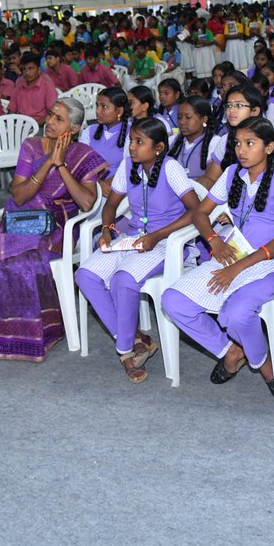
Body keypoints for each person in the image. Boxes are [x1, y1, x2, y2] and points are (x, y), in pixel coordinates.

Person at [0, 99, 106, 362]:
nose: (49, 121)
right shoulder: (31, 146)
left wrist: (61, 165)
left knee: (27, 266)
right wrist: (49, 162)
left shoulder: (83, 155)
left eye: (59, 119)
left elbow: (86, 202)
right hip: (18, 220)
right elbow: (19, 194)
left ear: (73, 128)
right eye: (50, 114)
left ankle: (38, 336)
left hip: (56, 227)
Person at [162, 116, 274, 397]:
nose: (242, 150)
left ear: (269, 147)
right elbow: (200, 212)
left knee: (236, 314)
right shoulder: (232, 173)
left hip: (269, 263)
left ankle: (264, 366)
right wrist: (213, 241)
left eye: (251, 143)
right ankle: (231, 350)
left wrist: (236, 269)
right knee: (173, 301)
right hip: (231, 255)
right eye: (238, 143)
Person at [75, 117, 200, 382]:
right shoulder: (128, 166)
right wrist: (107, 228)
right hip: (133, 236)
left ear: (158, 148)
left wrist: (157, 235)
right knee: (85, 275)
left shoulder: (170, 168)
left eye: (139, 142)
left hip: (166, 241)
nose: (132, 147)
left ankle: (126, 354)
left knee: (123, 280)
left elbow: (196, 210)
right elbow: (111, 205)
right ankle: (133, 337)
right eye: (131, 140)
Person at [80, 87, 131, 194]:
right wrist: (96, 185)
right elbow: (79, 163)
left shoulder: (131, 134)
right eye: (97, 105)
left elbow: (128, 168)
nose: (98, 111)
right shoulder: (90, 130)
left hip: (116, 189)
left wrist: (104, 186)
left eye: (104, 106)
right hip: (86, 186)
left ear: (119, 111)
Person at [168, 96, 214, 178]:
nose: (182, 122)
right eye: (179, 117)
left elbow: (210, 180)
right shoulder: (172, 140)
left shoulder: (214, 142)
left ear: (204, 119)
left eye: (188, 117)